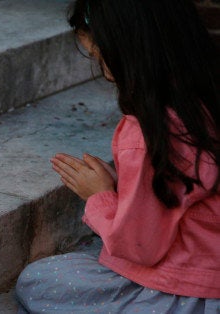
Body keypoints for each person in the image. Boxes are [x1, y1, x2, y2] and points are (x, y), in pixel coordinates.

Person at [15, 0, 220, 312]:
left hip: (190, 291)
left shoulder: (148, 134)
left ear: (124, 51)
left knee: (40, 280)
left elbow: (140, 248)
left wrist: (101, 196)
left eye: (99, 54)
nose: (102, 66)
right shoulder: (204, 102)